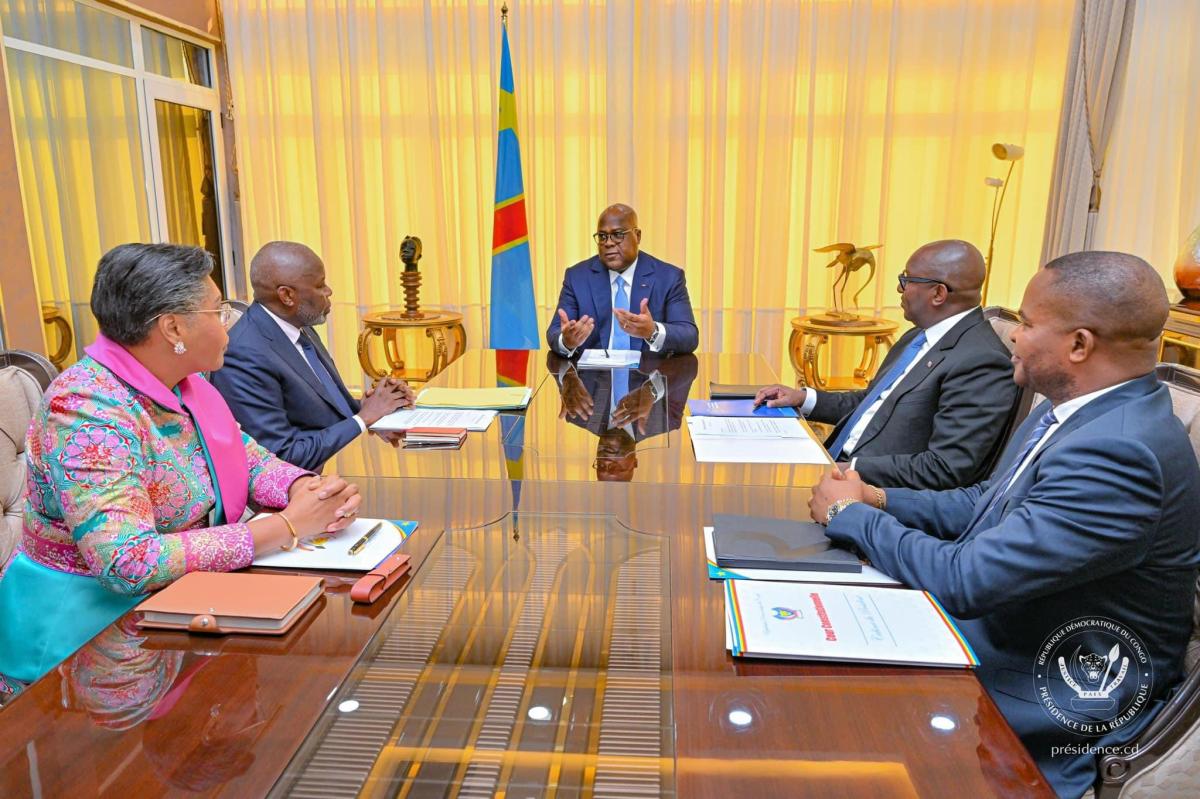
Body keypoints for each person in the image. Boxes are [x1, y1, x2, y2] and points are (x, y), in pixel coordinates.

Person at [808, 252, 1200, 797]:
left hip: (1038, 707)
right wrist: (877, 497)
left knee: (823, 732)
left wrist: (848, 515)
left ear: (1079, 345)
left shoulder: (1120, 452)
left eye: (1028, 323)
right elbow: (984, 503)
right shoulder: (1073, 409)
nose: (1013, 335)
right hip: (992, 641)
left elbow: (969, 579)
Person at [0, 243, 362, 693]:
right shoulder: (86, 410)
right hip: (88, 642)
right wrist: (286, 527)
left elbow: (250, 460)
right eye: (218, 311)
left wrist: (308, 489)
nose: (229, 325)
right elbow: (128, 562)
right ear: (173, 327)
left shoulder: (187, 386)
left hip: (179, 607)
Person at [755, 239, 1018, 489]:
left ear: (938, 293)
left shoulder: (981, 362)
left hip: (868, 490)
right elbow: (872, 403)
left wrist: (848, 469)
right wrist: (803, 398)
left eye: (907, 280)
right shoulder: (917, 336)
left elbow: (945, 468)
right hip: (833, 463)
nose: (899, 290)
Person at [211, 242, 414, 472]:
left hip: (337, 465)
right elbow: (282, 457)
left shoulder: (297, 324)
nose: (329, 291)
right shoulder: (243, 355)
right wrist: (364, 418)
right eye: (320, 285)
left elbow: (323, 414)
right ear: (287, 295)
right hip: (307, 483)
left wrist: (377, 405)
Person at [546, 204, 698, 357]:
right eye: (602, 236)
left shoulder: (668, 277)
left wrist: (653, 332)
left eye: (618, 234)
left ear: (637, 236)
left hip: (648, 370)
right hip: (594, 371)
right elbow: (555, 332)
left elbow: (689, 336)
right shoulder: (577, 277)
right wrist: (567, 342)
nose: (608, 243)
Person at [550, 352, 697, 481]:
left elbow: (554, 357)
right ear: (634, 463)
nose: (606, 461)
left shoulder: (577, 413)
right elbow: (690, 364)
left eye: (600, 466)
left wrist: (568, 376)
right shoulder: (666, 420)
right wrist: (651, 390)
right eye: (616, 468)